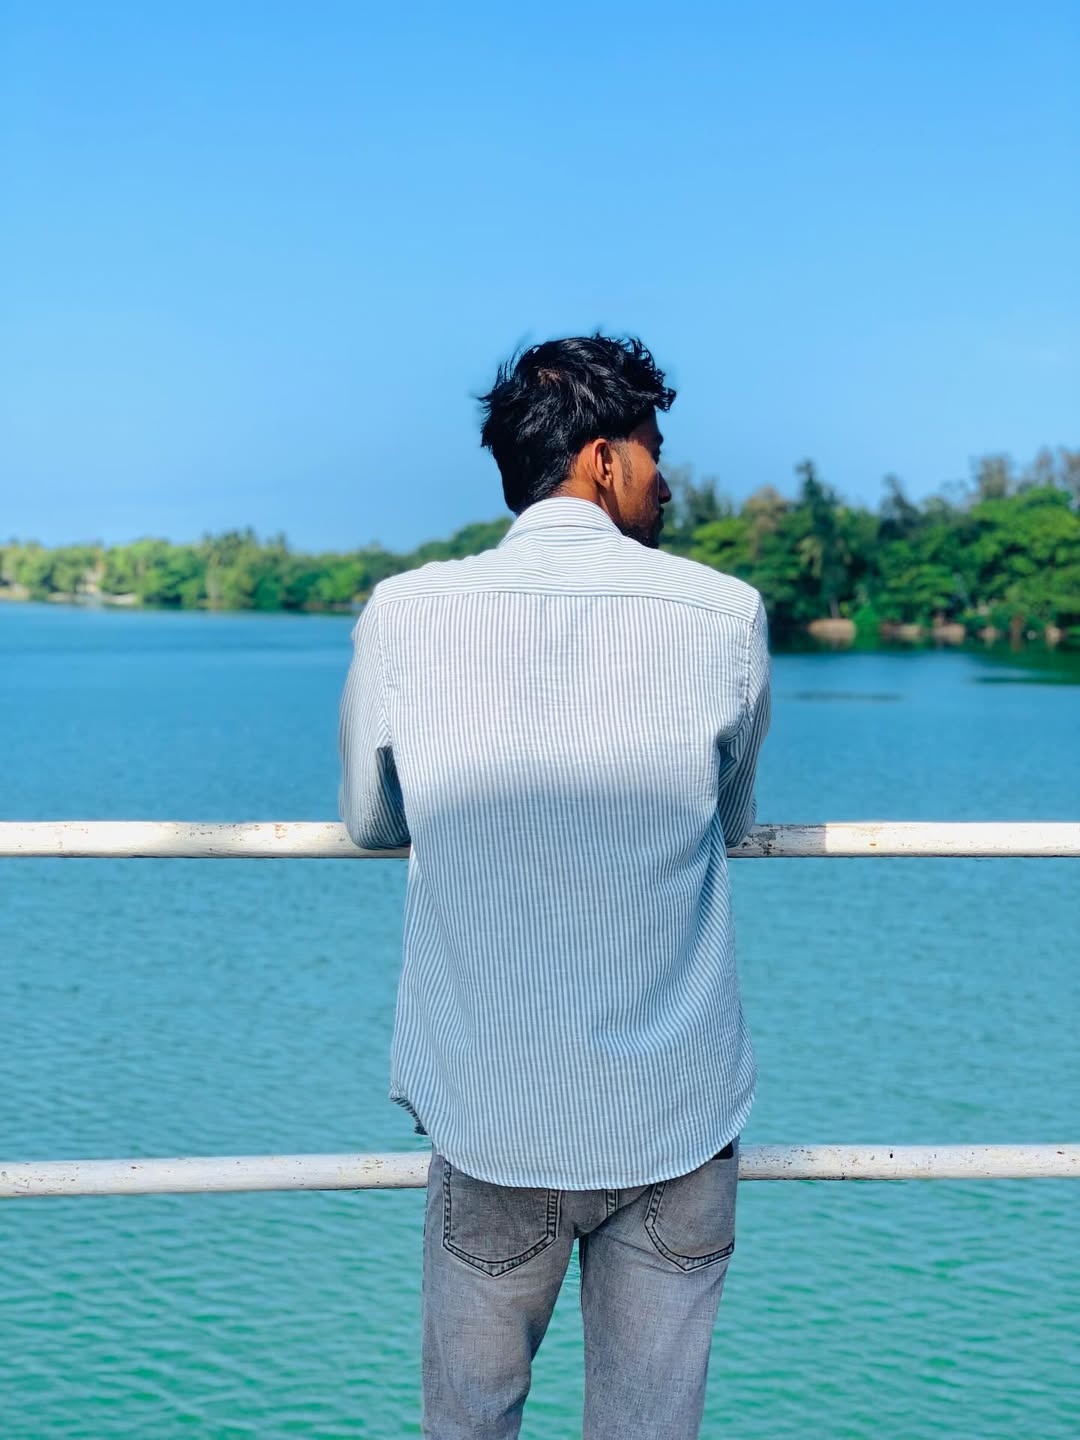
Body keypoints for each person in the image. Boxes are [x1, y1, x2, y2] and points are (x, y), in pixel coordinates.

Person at [339, 335, 771, 1439]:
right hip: (674, 1115)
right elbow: (729, 822)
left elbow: (373, 820)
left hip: (492, 1113)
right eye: (653, 449)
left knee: (470, 1425)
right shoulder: (722, 613)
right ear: (602, 460)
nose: (666, 479)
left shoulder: (406, 612)